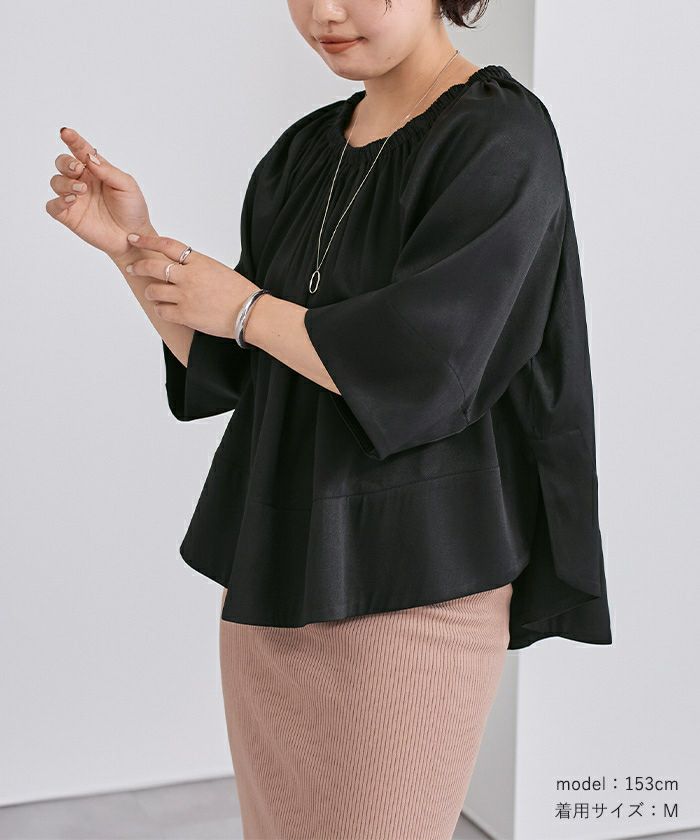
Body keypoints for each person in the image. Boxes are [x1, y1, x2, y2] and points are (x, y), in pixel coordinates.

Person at [47, 0, 613, 837]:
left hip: (415, 585)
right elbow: (245, 365)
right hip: (276, 570)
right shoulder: (303, 152)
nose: (325, 11)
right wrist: (134, 250)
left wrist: (245, 308)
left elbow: (434, 367)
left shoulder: (500, 138)